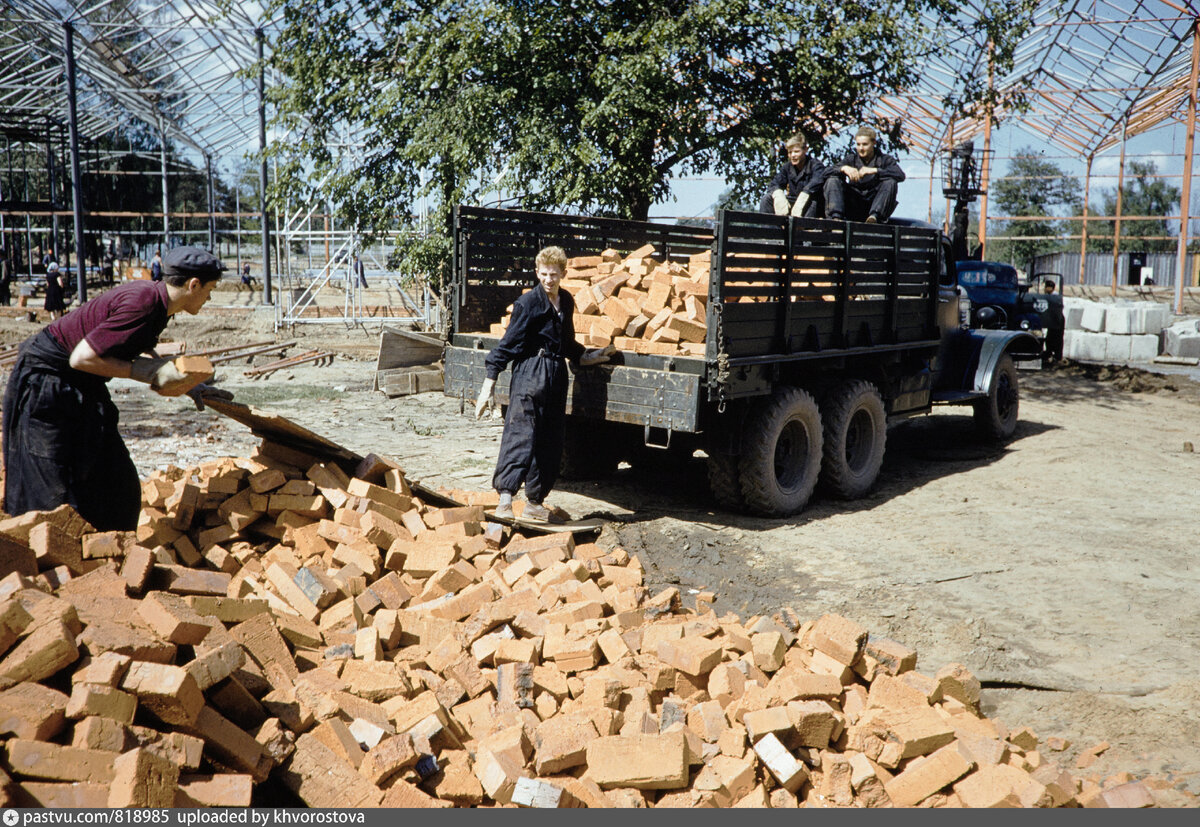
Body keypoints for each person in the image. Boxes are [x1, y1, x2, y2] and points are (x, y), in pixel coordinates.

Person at [2, 246, 229, 531]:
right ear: (193, 284)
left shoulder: (158, 304)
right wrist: (146, 373)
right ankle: (43, 565)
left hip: (84, 384)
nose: (210, 297)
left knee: (117, 488)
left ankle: (110, 560)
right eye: (210, 289)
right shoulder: (143, 303)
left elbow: (138, 346)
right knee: (48, 495)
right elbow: (81, 357)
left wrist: (189, 386)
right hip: (46, 384)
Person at [474, 245, 614, 522]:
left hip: (556, 373)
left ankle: (535, 502)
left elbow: (567, 343)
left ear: (563, 273)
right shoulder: (527, 304)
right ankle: (505, 499)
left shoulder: (567, 301)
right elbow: (508, 345)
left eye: (554, 274)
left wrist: (591, 355)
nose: (549, 280)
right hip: (530, 372)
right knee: (521, 435)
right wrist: (487, 386)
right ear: (537, 272)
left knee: (550, 439)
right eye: (544, 274)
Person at [824, 126, 906, 223]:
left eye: (865, 144)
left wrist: (875, 170)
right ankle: (836, 218)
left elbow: (900, 175)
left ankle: (874, 217)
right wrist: (843, 168)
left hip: (875, 204)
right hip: (853, 204)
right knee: (832, 180)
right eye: (858, 144)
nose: (861, 148)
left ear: (874, 143)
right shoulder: (851, 159)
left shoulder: (885, 160)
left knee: (891, 182)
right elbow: (825, 173)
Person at [759, 133, 829, 218]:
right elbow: (774, 184)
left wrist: (804, 194)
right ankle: (770, 229)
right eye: (790, 152)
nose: (793, 155)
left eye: (796, 151)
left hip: (812, 205)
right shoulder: (787, 167)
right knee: (767, 198)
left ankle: (803, 227)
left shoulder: (816, 165)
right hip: (793, 202)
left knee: (813, 201)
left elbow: (817, 181)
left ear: (805, 150)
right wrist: (778, 194)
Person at [1040, 278, 1065, 365]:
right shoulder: (1051, 296)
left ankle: (1057, 356)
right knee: (1050, 338)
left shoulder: (1054, 296)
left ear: (1050, 288)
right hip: (1053, 319)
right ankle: (1050, 354)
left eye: (1046, 287)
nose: (1044, 289)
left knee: (1057, 338)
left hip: (1057, 319)